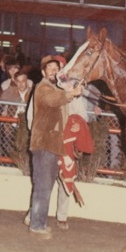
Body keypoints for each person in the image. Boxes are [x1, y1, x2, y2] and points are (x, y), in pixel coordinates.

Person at [27, 55, 84, 238]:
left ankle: (39, 222)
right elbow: (53, 100)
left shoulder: (54, 88)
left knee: (45, 186)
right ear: (43, 72)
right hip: (44, 144)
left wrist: (69, 92)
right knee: (43, 187)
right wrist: (71, 93)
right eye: (49, 68)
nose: (53, 71)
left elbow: (60, 101)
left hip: (50, 145)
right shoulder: (43, 87)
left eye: (55, 68)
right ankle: (36, 226)